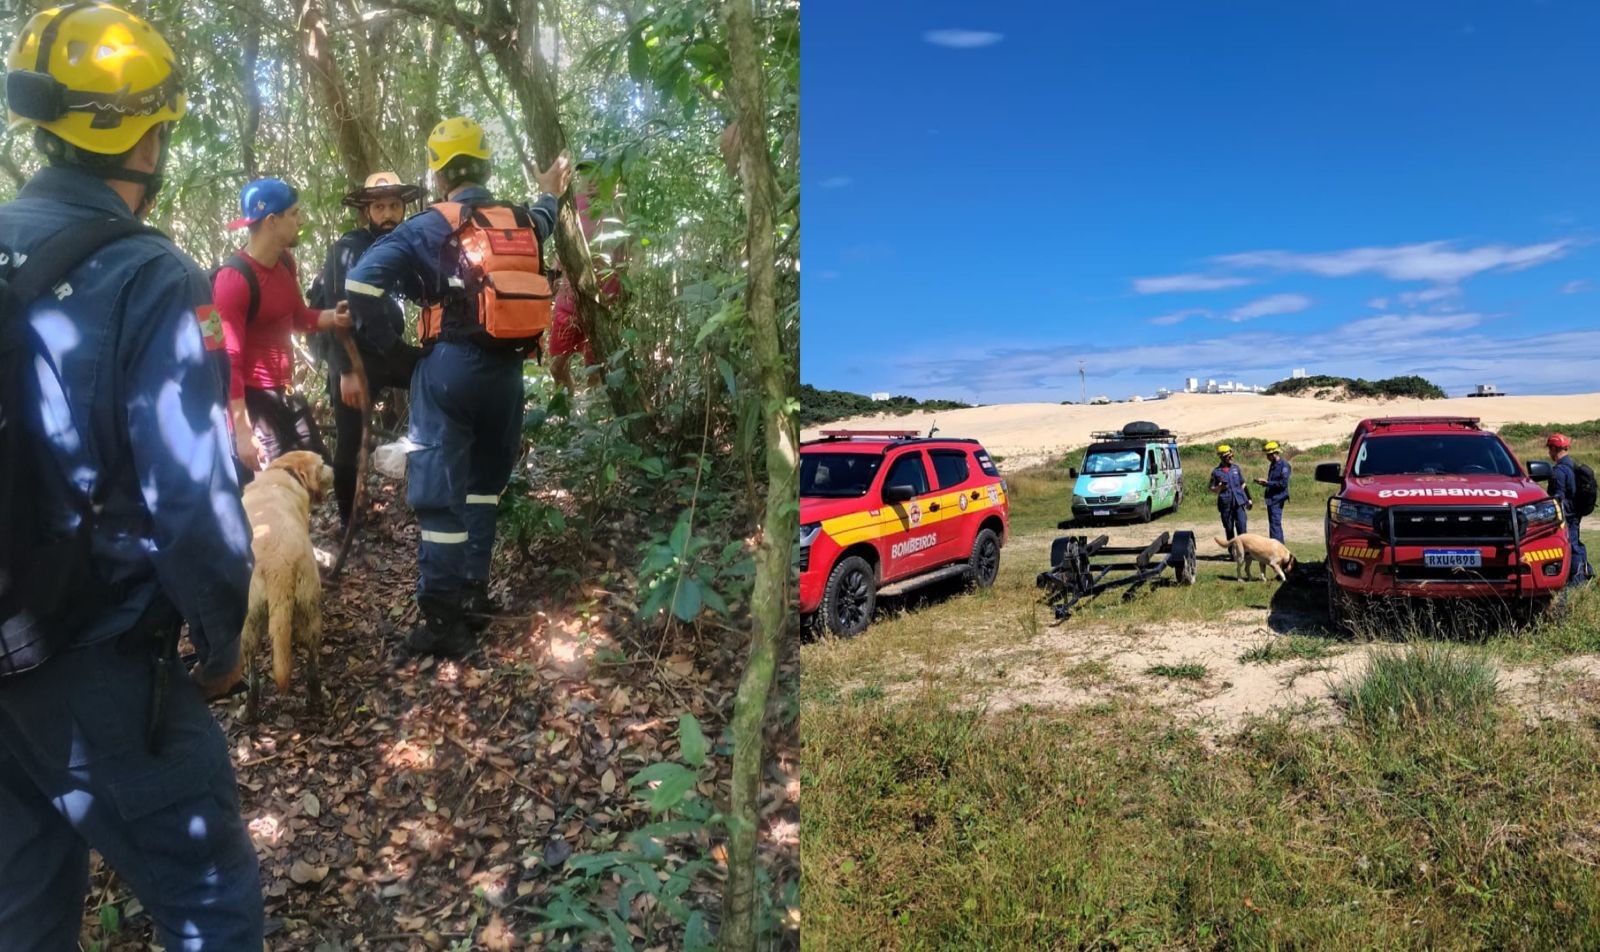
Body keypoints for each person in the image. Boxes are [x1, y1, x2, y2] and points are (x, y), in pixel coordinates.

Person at [0, 4, 263, 947]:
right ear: (148, 136)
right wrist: (223, 635)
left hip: (6, 643)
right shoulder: (152, 278)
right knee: (211, 895)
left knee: (23, 900)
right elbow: (192, 498)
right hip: (96, 657)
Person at [345, 116, 572, 656]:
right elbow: (545, 213)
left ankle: (442, 622)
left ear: (440, 171)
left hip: (448, 370)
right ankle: (474, 596)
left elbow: (360, 283)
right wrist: (550, 190)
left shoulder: (428, 225)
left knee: (439, 500)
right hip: (508, 374)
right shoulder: (518, 220)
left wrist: (399, 356)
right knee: (482, 490)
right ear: (485, 164)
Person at [214, 177, 350, 473]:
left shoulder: (286, 262)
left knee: (317, 471)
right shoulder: (233, 281)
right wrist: (242, 432)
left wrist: (333, 317)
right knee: (276, 489)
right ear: (272, 221)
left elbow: (297, 317)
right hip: (255, 402)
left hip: (285, 392)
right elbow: (230, 362)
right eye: (294, 213)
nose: (301, 219)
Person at [313, 171, 425, 527]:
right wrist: (345, 371)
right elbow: (333, 311)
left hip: (389, 350)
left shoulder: (409, 244)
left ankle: (427, 482)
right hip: (354, 357)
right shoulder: (347, 249)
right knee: (348, 442)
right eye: (380, 206)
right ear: (367, 211)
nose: (388, 213)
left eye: (394, 205)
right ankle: (348, 521)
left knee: (435, 380)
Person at [548, 154, 623, 393]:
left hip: (603, 301)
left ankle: (592, 419)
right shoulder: (573, 203)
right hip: (570, 297)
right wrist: (551, 277)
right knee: (557, 366)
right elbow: (564, 244)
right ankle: (568, 409)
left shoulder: (616, 206)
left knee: (597, 370)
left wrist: (623, 294)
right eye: (586, 173)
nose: (591, 179)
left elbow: (628, 252)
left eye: (597, 173)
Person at [1546, 433, 1590, 586]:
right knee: (1576, 542)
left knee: (1571, 545)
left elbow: (1558, 497)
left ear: (1553, 448)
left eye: (1550, 449)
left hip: (1567, 515)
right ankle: (1585, 573)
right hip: (1575, 512)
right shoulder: (1572, 465)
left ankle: (1577, 580)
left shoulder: (1559, 471)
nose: (1549, 453)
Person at [1210, 444, 1251, 540]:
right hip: (1226, 505)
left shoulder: (1236, 468)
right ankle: (1233, 552)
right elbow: (1212, 489)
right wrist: (1220, 487)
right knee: (1229, 529)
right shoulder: (1216, 472)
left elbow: (1243, 484)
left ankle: (1244, 552)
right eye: (1229, 456)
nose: (1232, 457)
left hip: (1239, 502)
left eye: (1232, 455)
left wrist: (1249, 499)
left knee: (1242, 527)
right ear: (1222, 457)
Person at [1253, 440, 1291, 544]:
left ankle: (1278, 549)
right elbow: (1273, 481)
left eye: (1269, 455)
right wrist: (1265, 483)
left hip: (1278, 498)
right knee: (1273, 524)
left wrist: (1268, 483)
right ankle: (1275, 547)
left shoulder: (1284, 466)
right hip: (1271, 498)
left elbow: (1283, 484)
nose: (1267, 457)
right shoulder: (1273, 464)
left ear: (1275, 453)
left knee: (1275, 524)